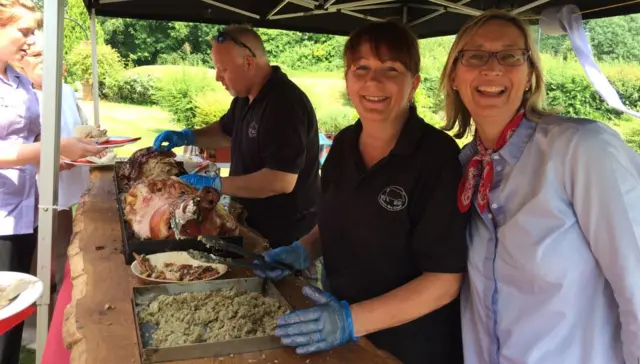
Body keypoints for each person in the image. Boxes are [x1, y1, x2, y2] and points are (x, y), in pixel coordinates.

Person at [252, 21, 468, 364]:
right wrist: (302, 251)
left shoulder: (437, 157)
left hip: (409, 345)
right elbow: (337, 222)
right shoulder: (343, 146)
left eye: (390, 69)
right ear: (348, 80)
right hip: (339, 334)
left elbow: (444, 281)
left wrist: (351, 320)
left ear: (413, 84)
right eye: (361, 68)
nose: (373, 81)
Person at [438, 9, 640, 364]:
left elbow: (636, 284)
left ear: (529, 73)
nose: (492, 68)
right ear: (454, 75)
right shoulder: (463, 168)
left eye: (510, 55)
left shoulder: (581, 149)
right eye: (475, 55)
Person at [153, 24, 321, 251]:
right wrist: (188, 136)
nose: (217, 77)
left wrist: (217, 184)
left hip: (286, 237)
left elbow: (281, 181)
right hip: (251, 223)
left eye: (222, 69)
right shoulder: (245, 98)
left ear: (248, 63)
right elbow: (223, 132)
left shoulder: (284, 105)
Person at [0, 1, 102, 363]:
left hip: (26, 212)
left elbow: (27, 145)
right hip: (2, 216)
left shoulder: (17, 81)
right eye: (24, 32)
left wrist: (56, 160)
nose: (30, 42)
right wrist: (52, 148)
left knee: (13, 312)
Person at [18, 31, 91, 302]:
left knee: (63, 243)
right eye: (37, 56)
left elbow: (77, 128)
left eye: (52, 56)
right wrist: (46, 158)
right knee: (36, 253)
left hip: (65, 184)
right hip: (30, 191)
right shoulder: (21, 97)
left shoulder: (65, 91)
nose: (46, 62)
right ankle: (34, 311)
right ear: (20, 62)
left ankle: (59, 302)